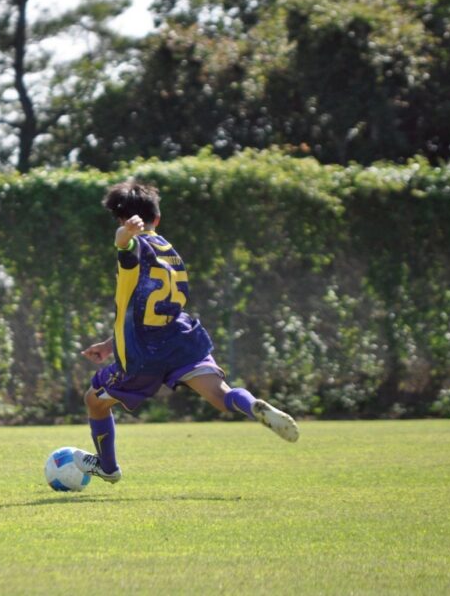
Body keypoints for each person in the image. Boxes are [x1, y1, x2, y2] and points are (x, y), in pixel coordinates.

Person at [73, 181, 298, 483]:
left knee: (94, 400)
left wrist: (123, 237)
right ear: (158, 218)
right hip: (179, 338)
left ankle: (108, 468)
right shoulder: (169, 251)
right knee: (221, 396)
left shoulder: (135, 247)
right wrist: (109, 344)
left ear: (120, 219)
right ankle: (253, 405)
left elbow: (126, 248)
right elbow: (150, 308)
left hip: (143, 352)